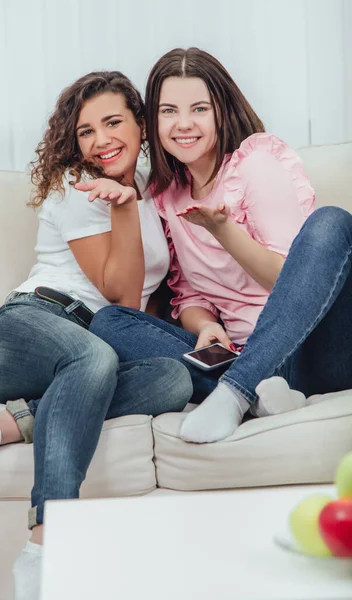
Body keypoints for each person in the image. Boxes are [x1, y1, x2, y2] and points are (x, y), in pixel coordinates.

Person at [0, 71, 193, 600]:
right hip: (24, 329)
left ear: (142, 126)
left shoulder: (158, 192)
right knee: (93, 358)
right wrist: (120, 204)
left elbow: (140, 312)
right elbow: (118, 294)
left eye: (113, 122)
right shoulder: (76, 184)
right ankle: (45, 544)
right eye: (86, 131)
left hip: (92, 351)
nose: (101, 140)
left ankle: (2, 425)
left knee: (173, 378)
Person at [89, 47, 352, 443]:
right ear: (152, 123)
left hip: (310, 346)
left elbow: (291, 280)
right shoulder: (167, 195)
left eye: (199, 109)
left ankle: (235, 392)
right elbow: (189, 293)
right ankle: (258, 397)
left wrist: (224, 232)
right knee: (109, 322)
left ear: (221, 112)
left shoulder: (255, 163)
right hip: (246, 359)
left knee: (333, 223)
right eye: (168, 111)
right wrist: (206, 324)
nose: (183, 124)